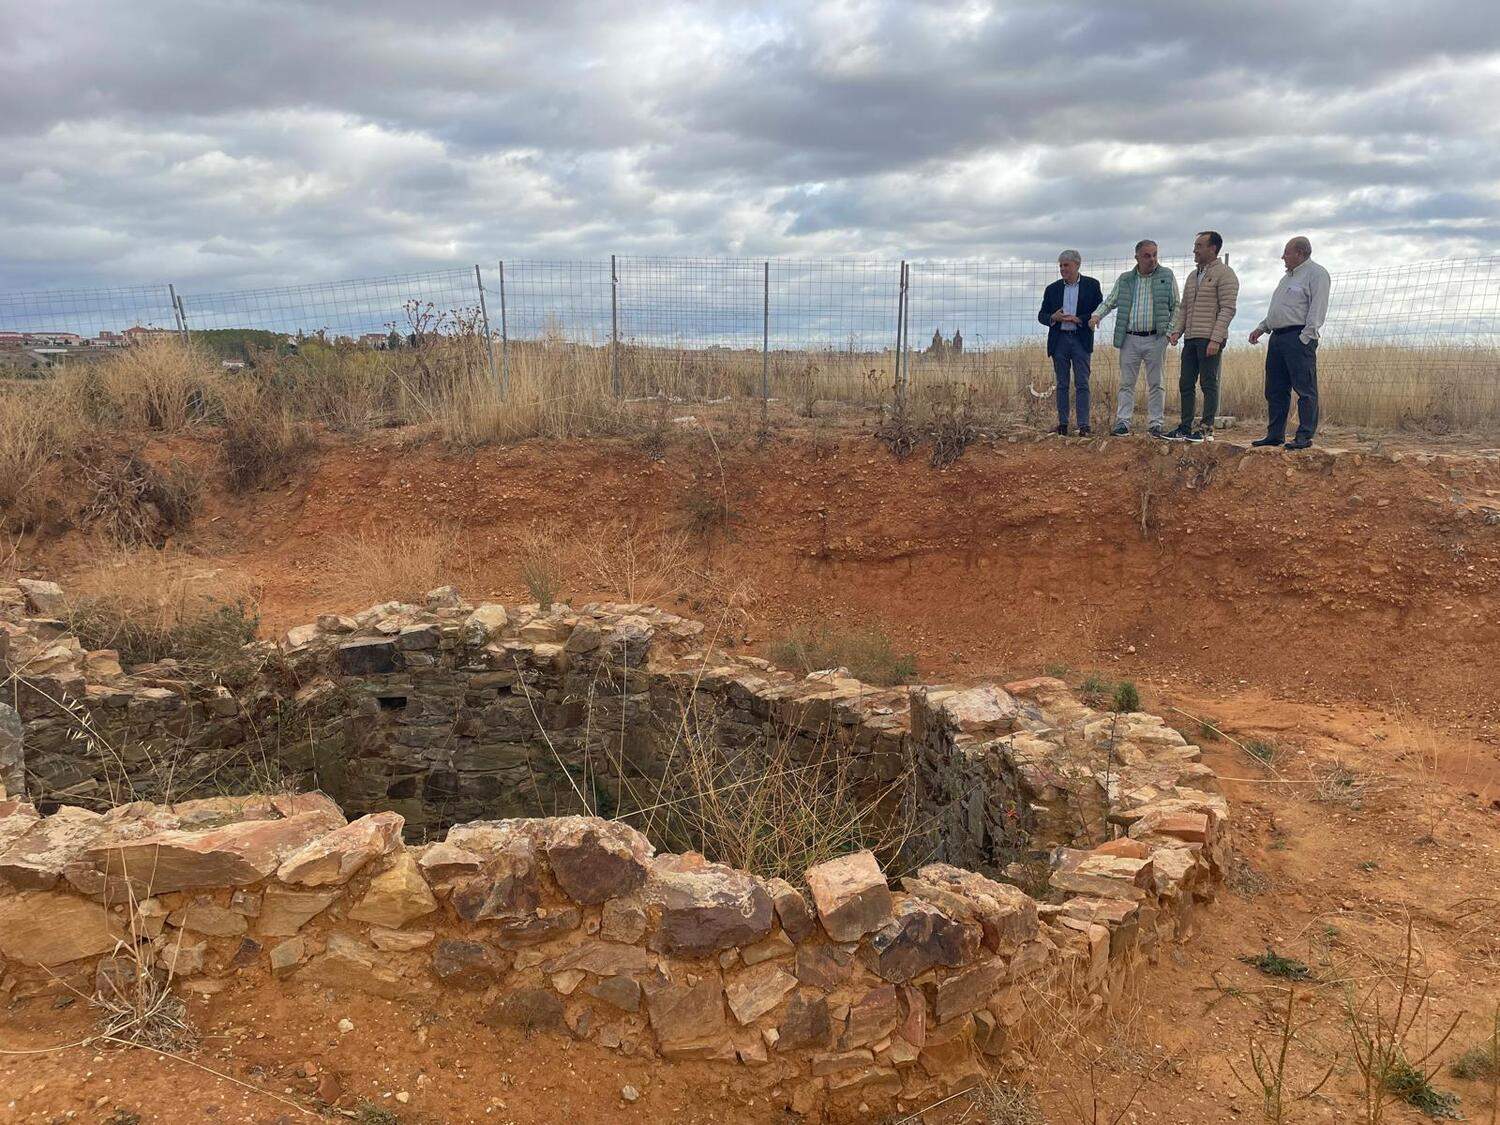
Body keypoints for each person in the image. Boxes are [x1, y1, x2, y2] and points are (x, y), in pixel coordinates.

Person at [1088, 239, 1179, 436]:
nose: (1152, 259)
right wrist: (1096, 316)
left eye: (1155, 254)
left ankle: (1155, 424)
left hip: (1156, 338)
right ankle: (1123, 422)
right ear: (1137, 257)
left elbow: (1176, 306)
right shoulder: (1125, 279)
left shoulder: (1167, 276)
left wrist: (1169, 332)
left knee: (1156, 383)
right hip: (1129, 339)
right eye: (1147, 255)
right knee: (1126, 383)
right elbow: (1110, 301)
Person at [1248, 236, 1332, 450]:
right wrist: (1262, 327)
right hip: (1277, 337)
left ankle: (1304, 436)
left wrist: (1306, 337)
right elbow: (1279, 310)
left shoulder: (1316, 274)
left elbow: (1318, 307)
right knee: (1275, 389)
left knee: (1305, 389)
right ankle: (1275, 434)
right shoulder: (1286, 278)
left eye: (1286, 252)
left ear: (1300, 253)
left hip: (1298, 337)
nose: (1282, 257)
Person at [1167, 231, 1239, 442]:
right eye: (1195, 246)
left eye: (1199, 246)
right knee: (1185, 383)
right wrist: (1177, 331)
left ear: (1212, 248)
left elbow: (1227, 309)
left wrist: (1216, 339)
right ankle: (1185, 427)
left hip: (1209, 338)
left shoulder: (1225, 274)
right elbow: (1184, 308)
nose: (1194, 250)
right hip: (1191, 337)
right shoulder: (1193, 276)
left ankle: (1207, 429)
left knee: (1208, 382)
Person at [1036, 250, 1103, 435]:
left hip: (1081, 339)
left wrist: (1079, 319)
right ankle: (1063, 424)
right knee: (1062, 384)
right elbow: (1042, 315)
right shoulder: (1052, 289)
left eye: (1066, 265)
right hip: (1060, 341)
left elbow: (1099, 309)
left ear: (1077, 265)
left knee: (1082, 383)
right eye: (1060, 265)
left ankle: (1084, 425)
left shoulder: (1092, 285)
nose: (1063, 269)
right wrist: (1053, 317)